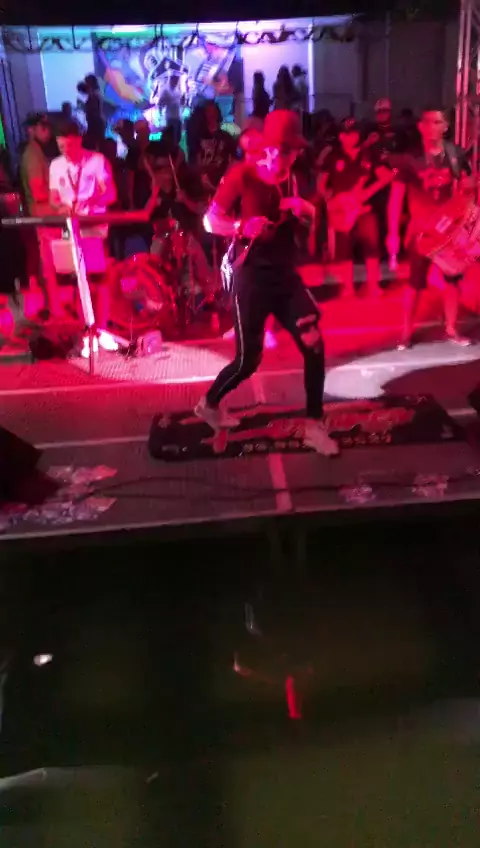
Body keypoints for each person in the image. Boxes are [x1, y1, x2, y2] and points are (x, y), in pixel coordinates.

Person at [195, 110, 339, 457]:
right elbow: (210, 221)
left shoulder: (294, 179)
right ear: (268, 148)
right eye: (283, 150)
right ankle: (209, 404)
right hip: (252, 279)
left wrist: (304, 208)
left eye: (293, 151)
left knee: (314, 344)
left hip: (285, 277)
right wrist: (241, 227)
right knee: (248, 361)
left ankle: (314, 425)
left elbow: (313, 218)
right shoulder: (242, 174)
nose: (287, 158)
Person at [387, 106, 473, 349]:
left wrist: (466, 214)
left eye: (438, 122)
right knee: (415, 282)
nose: (432, 127)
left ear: (446, 127)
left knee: (452, 279)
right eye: (427, 122)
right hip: (421, 231)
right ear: (420, 126)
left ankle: (451, 328)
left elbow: (467, 187)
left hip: (448, 230)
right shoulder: (409, 158)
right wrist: (393, 233)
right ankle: (405, 332)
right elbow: (396, 198)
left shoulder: (455, 155)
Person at [49, 119, 117, 329]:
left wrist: (92, 200)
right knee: (77, 279)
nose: (66, 151)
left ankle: (102, 326)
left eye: (70, 145)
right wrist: (61, 207)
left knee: (100, 278)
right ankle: (85, 328)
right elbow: (53, 198)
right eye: (61, 147)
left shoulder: (96, 160)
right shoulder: (56, 165)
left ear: (79, 140)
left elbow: (111, 194)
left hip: (94, 225)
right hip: (71, 226)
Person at [318, 117, 386, 298]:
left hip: (364, 209)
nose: (351, 137)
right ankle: (347, 286)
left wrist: (368, 192)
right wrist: (329, 199)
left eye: (355, 133)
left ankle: (373, 284)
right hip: (342, 211)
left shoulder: (368, 155)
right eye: (347, 134)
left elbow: (385, 176)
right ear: (341, 136)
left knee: (371, 246)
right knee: (344, 248)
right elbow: (321, 183)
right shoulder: (333, 156)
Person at [20, 113, 64, 318]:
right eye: (43, 127)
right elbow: (38, 192)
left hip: (47, 216)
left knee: (49, 263)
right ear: (31, 130)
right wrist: (60, 197)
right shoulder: (32, 155)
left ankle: (52, 307)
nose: (48, 132)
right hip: (43, 216)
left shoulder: (37, 152)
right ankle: (54, 309)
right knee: (49, 264)